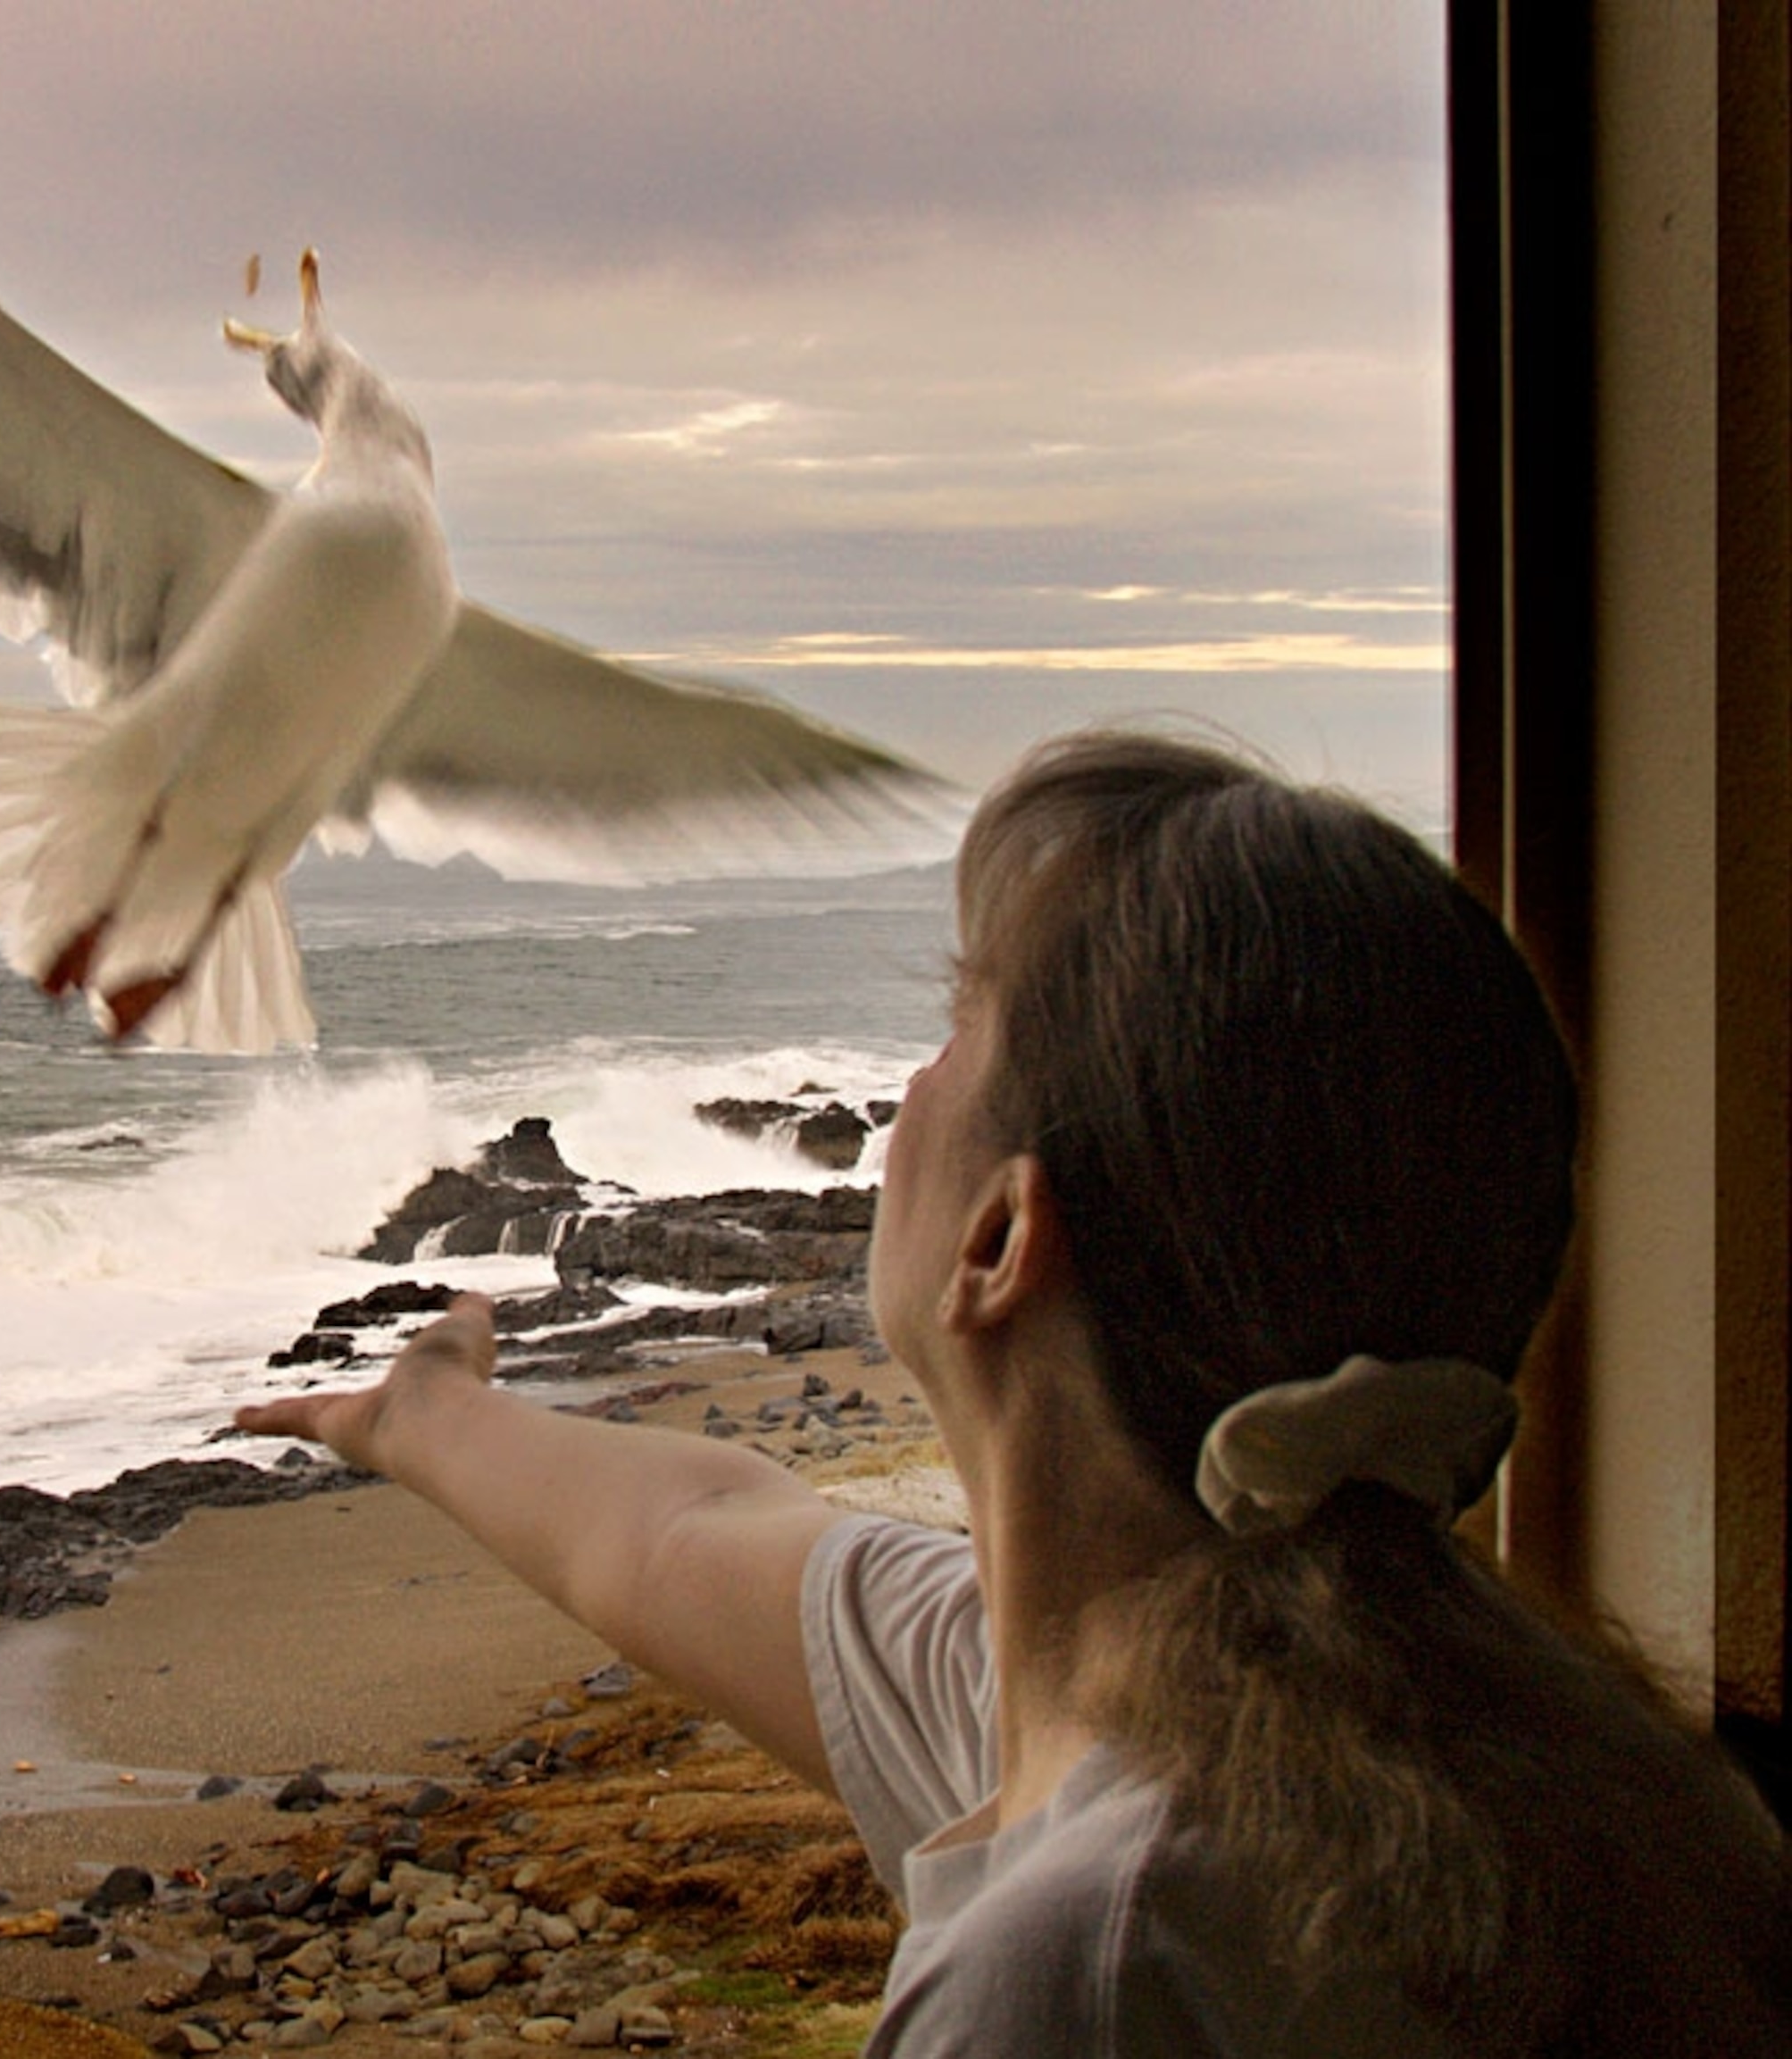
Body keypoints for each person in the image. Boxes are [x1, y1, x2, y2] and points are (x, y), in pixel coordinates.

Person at [238, 729, 1790, 2055]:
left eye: (961, 1015)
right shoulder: (1436, 1735)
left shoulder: (1091, 1976)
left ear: (999, 1242)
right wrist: (424, 1413)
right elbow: (686, 1536)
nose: (909, 1085)